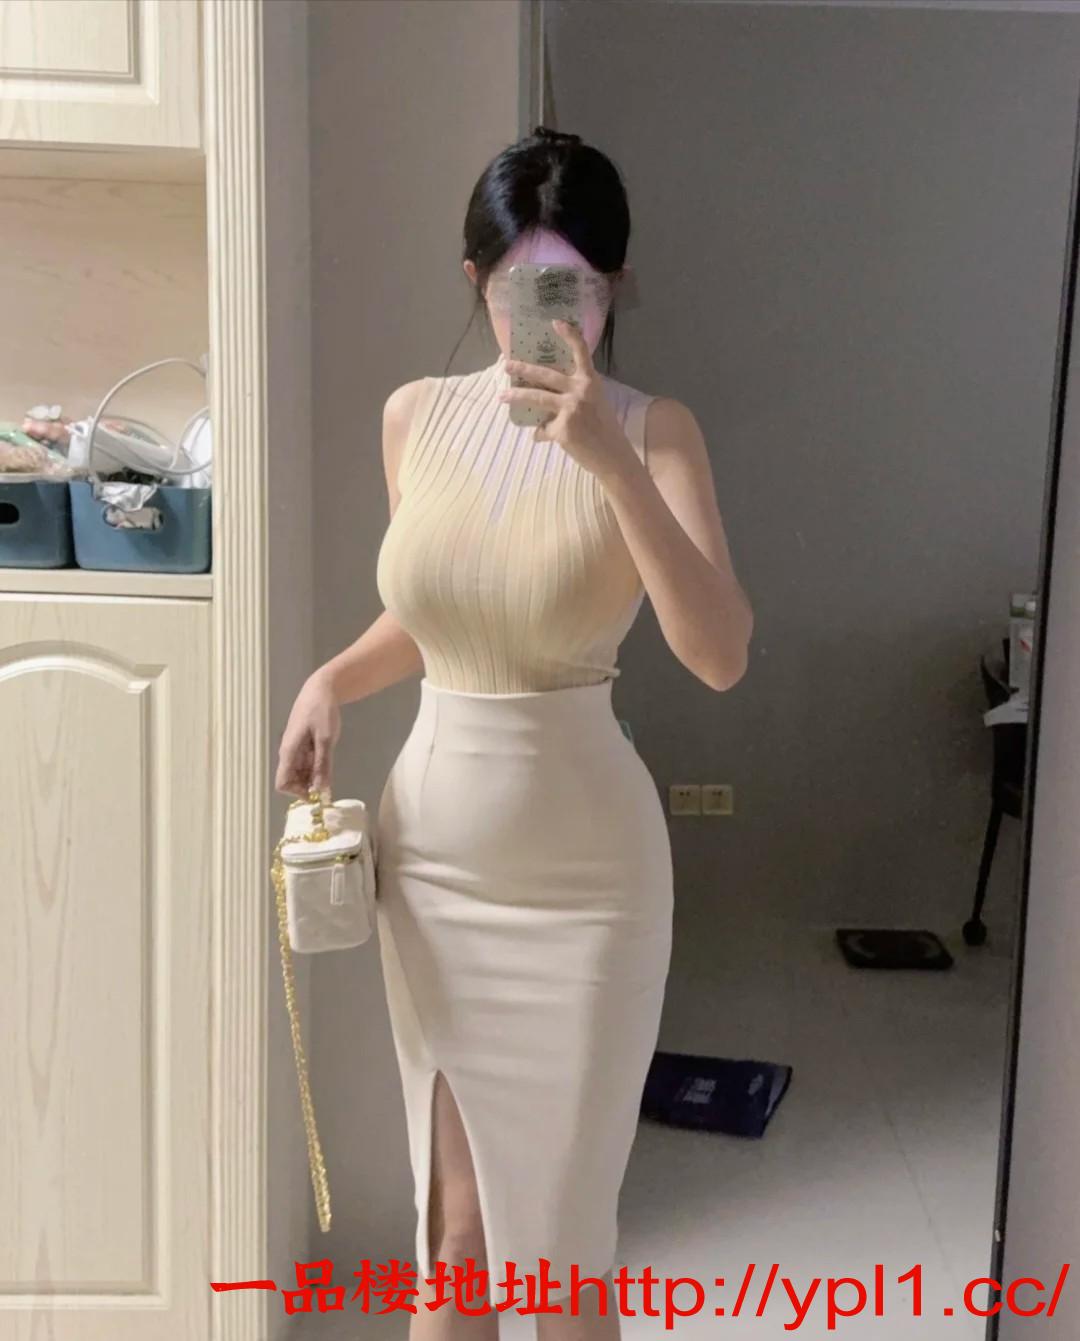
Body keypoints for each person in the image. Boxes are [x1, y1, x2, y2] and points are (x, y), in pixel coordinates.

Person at [275, 126, 753, 1340]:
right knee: (458, 1239)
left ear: (613, 288)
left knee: (567, 1256)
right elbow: (444, 607)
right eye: (516, 285)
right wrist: (332, 677)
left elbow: (718, 652)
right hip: (434, 866)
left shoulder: (656, 431)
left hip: (589, 885)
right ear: (475, 281)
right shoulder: (414, 418)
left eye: (573, 287)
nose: (545, 314)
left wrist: (610, 463)